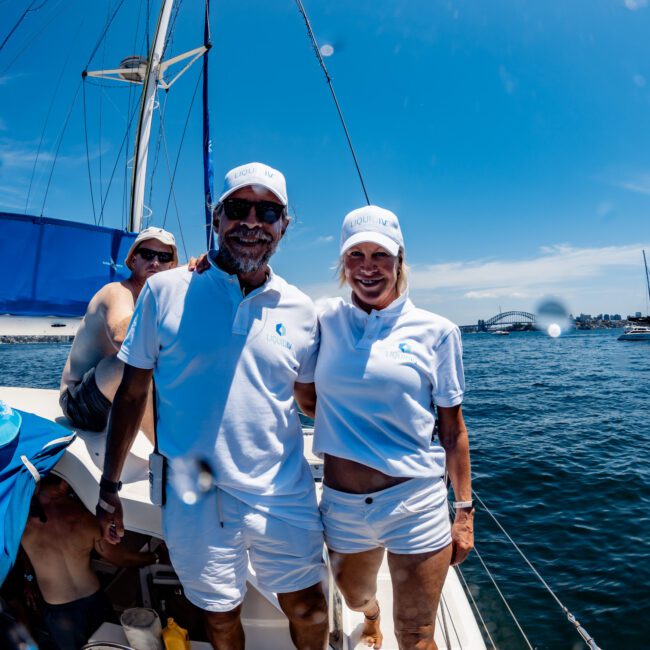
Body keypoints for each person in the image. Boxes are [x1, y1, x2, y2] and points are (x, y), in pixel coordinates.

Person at [95, 162, 329, 650]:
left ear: (285, 224)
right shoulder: (165, 291)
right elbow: (133, 393)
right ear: (217, 217)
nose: (252, 221)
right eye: (238, 208)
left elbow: (311, 398)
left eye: (267, 211)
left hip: (281, 493)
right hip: (195, 500)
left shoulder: (303, 309)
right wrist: (109, 487)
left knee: (310, 609)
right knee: (220, 619)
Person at [306, 205, 475, 650]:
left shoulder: (437, 332)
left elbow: (453, 431)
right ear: (342, 265)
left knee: (417, 635)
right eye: (355, 255)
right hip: (342, 505)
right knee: (357, 596)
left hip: (414, 502)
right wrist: (204, 269)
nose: (367, 267)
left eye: (379, 255)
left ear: (400, 261)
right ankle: (371, 616)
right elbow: (265, 297)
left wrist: (464, 513)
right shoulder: (324, 319)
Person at [59, 227, 178, 436]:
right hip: (79, 403)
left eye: (163, 256)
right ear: (133, 261)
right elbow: (122, 338)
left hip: (114, 401)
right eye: (147, 254)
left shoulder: (162, 302)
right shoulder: (116, 292)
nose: (155, 262)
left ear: (172, 265)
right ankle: (168, 456)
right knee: (132, 362)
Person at [21, 474, 160, 650]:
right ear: (64, 482)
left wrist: (27, 578)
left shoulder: (22, 522)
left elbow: (19, 553)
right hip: (94, 601)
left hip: (59, 610)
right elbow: (119, 558)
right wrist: (154, 557)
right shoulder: (82, 515)